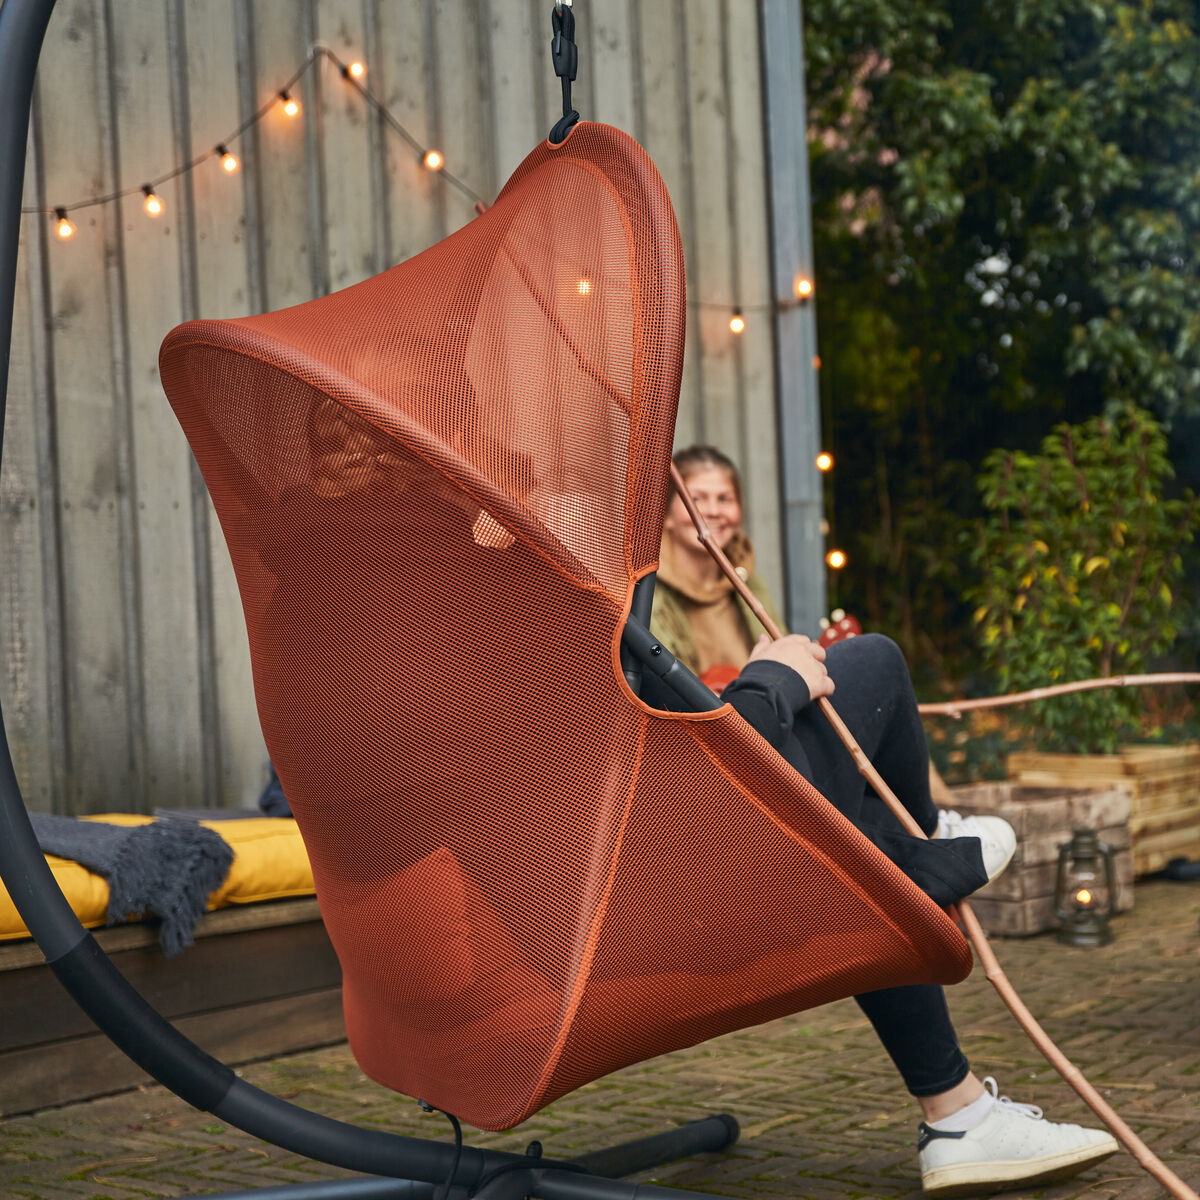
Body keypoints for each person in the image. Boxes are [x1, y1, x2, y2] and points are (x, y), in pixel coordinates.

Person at [644, 445, 1118, 1198]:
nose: (714, 510)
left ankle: (916, 874)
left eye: (723, 496)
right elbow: (694, 753)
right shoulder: (631, 604)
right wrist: (772, 683)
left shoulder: (452, 660)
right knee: (874, 662)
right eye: (695, 496)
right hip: (701, 871)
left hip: (624, 899)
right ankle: (921, 859)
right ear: (666, 512)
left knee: (844, 778)